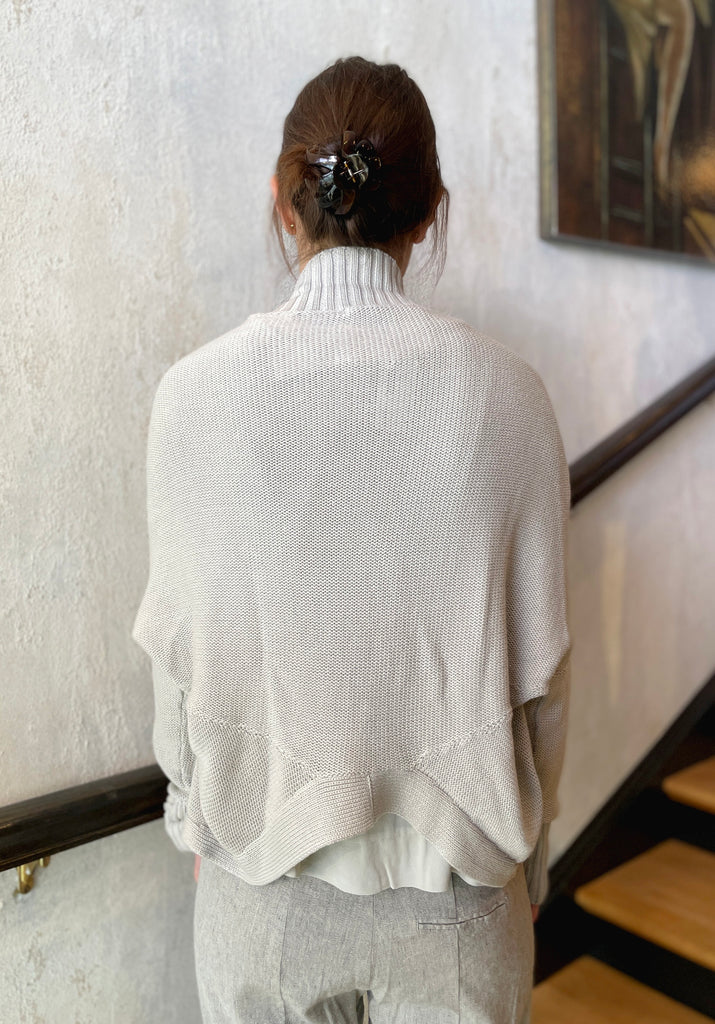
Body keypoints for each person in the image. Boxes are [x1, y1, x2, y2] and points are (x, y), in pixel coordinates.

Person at [133, 55, 572, 1024]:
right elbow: (542, 679)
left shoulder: (191, 399)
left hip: (261, 890)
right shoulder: (511, 396)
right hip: (460, 901)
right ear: (428, 212)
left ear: (283, 199)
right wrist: (533, 860)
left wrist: (198, 817)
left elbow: (177, 662)